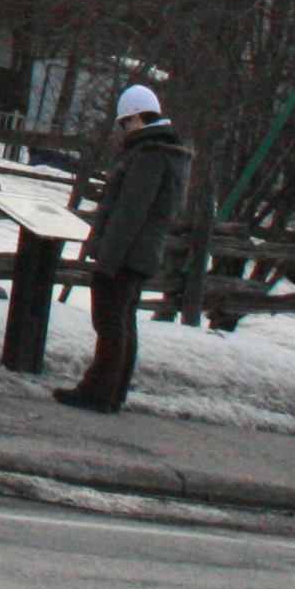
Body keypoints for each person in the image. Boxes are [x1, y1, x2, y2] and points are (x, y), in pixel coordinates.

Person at [56, 83, 191, 414]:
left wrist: (107, 259)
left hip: (126, 254)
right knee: (122, 321)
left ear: (136, 119)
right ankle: (112, 392)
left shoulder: (149, 156)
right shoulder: (166, 154)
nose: (122, 131)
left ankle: (99, 391)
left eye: (124, 123)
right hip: (141, 253)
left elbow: (130, 212)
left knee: (111, 322)